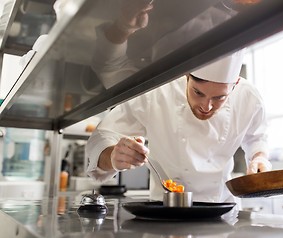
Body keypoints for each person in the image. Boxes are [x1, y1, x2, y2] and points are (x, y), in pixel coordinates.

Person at [85, 0, 271, 206]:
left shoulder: (249, 97)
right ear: (186, 77)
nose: (206, 106)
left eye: (219, 98)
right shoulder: (156, 92)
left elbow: (257, 138)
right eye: (198, 92)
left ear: (235, 84)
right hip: (164, 211)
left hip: (221, 211)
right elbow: (100, 138)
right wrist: (113, 156)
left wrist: (259, 158)